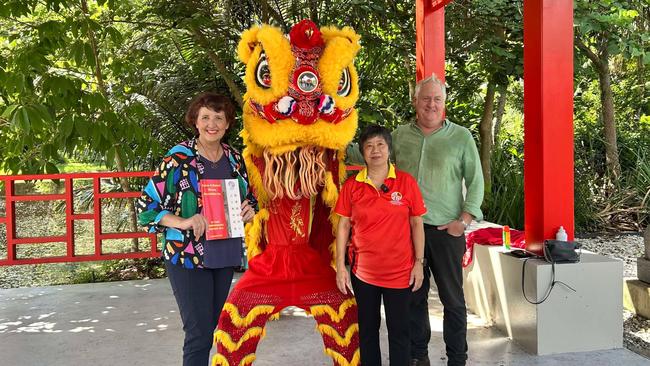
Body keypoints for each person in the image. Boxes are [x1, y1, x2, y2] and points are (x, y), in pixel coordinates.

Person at [136, 92, 257, 366]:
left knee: (211, 325)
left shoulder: (235, 159)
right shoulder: (178, 158)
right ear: (195, 121)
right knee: (198, 333)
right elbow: (146, 207)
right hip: (186, 255)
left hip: (224, 254)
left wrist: (250, 209)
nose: (211, 124)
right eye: (205, 117)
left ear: (227, 124)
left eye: (218, 118)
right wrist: (183, 221)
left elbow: (250, 198)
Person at [396, 75, 484, 366]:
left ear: (444, 103)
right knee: (413, 299)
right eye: (426, 99)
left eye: (437, 99)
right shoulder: (399, 135)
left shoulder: (460, 137)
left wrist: (465, 219)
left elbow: (476, 181)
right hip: (408, 232)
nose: (431, 105)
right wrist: (332, 144)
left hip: (447, 231)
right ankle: (418, 356)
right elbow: (372, 155)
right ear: (415, 101)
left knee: (453, 301)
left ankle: (457, 359)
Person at [335, 124, 426, 366]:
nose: (375, 151)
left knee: (400, 332)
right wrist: (340, 266)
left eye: (380, 145)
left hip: (400, 273)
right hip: (363, 273)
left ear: (389, 149)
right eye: (369, 146)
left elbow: (417, 224)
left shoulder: (406, 183)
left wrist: (419, 263)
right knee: (367, 330)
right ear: (363, 153)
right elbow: (343, 226)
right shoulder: (352, 186)